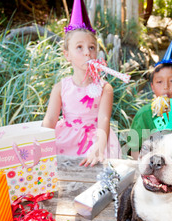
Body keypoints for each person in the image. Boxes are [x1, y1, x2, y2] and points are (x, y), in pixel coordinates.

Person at [42, 0, 121, 167]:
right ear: (67, 54)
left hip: (95, 138)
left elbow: (103, 119)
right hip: (66, 139)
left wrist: (99, 146)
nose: (87, 52)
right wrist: (42, 145)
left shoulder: (104, 88)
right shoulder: (61, 88)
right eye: (79, 47)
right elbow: (50, 119)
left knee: (96, 167)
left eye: (92, 47)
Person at [125, 38, 172, 159]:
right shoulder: (144, 114)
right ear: (152, 87)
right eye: (159, 82)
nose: (166, 87)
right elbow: (134, 149)